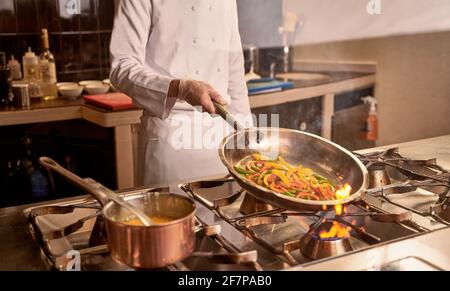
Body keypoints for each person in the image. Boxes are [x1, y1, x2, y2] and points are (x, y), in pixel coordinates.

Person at [110, 0, 252, 186]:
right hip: (171, 143)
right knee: (173, 214)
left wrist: (248, 140)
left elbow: (235, 76)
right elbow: (121, 67)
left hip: (222, 147)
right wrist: (180, 88)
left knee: (225, 213)